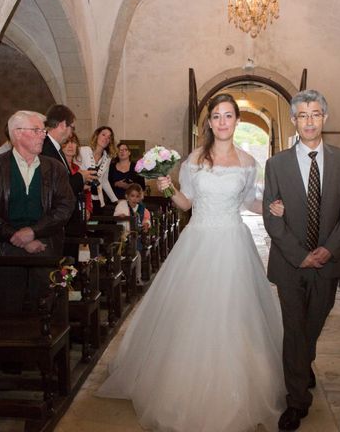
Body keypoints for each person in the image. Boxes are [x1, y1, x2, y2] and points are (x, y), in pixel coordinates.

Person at [96, 93, 286, 431]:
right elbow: (184, 205)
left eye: (229, 116)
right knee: (192, 313)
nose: (223, 122)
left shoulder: (248, 163)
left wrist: (273, 208)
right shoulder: (194, 159)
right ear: (209, 122)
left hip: (232, 243)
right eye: (217, 116)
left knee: (234, 314)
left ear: (236, 121)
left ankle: (237, 386)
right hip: (198, 241)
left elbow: (249, 204)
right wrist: (167, 187)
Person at [263, 89, 340, 431]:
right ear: (293, 120)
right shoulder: (276, 163)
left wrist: (328, 249)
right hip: (290, 263)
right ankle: (296, 400)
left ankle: (303, 366)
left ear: (324, 119)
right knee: (294, 328)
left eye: (315, 114)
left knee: (313, 324)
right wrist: (301, 255)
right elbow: (271, 217)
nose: (309, 121)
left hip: (329, 262)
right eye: (302, 115)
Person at [0, 110, 75, 312]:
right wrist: (15, 236)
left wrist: (34, 232)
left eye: (43, 130)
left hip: (46, 247)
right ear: (18, 133)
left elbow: (65, 207)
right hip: (5, 251)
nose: (44, 135)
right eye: (37, 130)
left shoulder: (55, 168)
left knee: (46, 309)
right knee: (9, 310)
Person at [41, 104, 96, 236]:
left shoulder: (55, 148)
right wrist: (80, 177)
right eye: (72, 127)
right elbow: (56, 188)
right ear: (62, 125)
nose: (72, 132)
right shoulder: (46, 148)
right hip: (55, 221)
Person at [113, 183, 151, 285]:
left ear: (140, 197)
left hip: (135, 237)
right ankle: (122, 275)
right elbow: (117, 214)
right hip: (122, 236)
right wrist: (121, 216)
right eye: (132, 196)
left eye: (137, 196)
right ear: (127, 196)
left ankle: (137, 278)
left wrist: (147, 224)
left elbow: (147, 219)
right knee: (119, 254)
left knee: (137, 254)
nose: (134, 199)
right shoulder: (122, 205)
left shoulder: (142, 208)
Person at [79, 126, 118, 214]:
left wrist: (115, 200)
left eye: (109, 137)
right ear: (97, 136)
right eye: (103, 135)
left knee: (96, 224)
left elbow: (104, 180)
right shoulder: (83, 150)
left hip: (97, 199)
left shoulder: (107, 157)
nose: (106, 138)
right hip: (82, 197)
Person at [62, 133, 93, 220]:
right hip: (64, 212)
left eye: (73, 142)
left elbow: (87, 192)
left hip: (79, 211)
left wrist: (88, 209)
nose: (70, 145)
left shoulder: (77, 168)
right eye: (66, 142)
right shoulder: (59, 167)